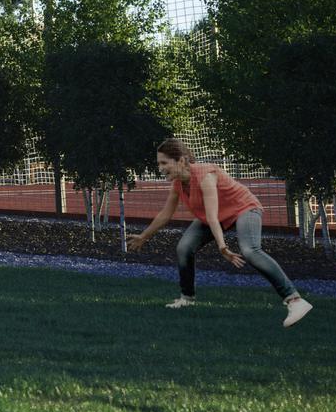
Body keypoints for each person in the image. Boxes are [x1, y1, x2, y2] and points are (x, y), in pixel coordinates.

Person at [129, 138, 313, 328]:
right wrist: (144, 236)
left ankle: (295, 300)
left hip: (244, 208)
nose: (160, 168)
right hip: (218, 216)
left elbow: (211, 216)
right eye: (159, 163)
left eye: (164, 163)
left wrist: (222, 246)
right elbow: (165, 214)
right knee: (184, 248)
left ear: (181, 161)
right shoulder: (178, 184)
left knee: (250, 250)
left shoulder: (205, 176)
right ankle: (187, 298)